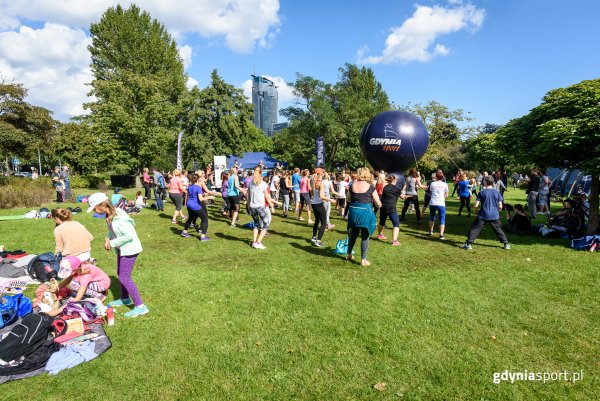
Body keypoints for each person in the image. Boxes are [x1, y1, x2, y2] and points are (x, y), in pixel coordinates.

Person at [88, 193, 149, 318]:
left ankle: (140, 306)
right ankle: (125, 298)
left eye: (94, 208)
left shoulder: (119, 219)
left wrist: (112, 242)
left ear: (101, 205)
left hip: (130, 250)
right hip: (122, 249)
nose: (95, 211)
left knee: (124, 277)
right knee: (120, 274)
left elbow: (129, 236)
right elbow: (112, 231)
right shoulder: (110, 215)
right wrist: (107, 238)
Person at [461, 176, 511, 250]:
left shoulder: (481, 192)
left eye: (484, 181)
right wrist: (496, 212)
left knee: (475, 228)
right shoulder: (497, 193)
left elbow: (476, 205)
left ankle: (468, 244)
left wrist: (475, 211)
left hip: (483, 215)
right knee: (498, 229)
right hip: (494, 215)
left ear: (485, 182)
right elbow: (500, 206)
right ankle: (506, 244)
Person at [346, 168, 382, 267]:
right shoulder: (370, 187)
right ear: (367, 175)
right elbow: (378, 203)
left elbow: (348, 199)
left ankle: (349, 254)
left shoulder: (352, 185)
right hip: (365, 212)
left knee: (353, 233)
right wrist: (378, 206)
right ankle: (363, 259)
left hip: (353, 211)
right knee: (365, 235)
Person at [248, 169, 277, 249]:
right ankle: (258, 242)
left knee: (256, 224)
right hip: (260, 207)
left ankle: (254, 242)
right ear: (260, 176)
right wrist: (272, 206)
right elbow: (267, 197)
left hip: (252, 206)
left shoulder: (251, 184)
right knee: (266, 224)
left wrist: (248, 206)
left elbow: (249, 197)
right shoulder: (263, 184)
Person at [181, 173, 214, 241]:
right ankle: (203, 237)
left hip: (189, 205)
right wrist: (209, 197)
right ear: (198, 179)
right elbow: (201, 199)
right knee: (205, 219)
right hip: (195, 206)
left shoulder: (189, 187)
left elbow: (193, 195)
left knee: (190, 218)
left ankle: (184, 232)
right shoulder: (198, 188)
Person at [376, 174, 403, 246]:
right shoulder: (397, 189)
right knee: (396, 223)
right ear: (394, 180)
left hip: (383, 206)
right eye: (396, 180)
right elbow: (402, 197)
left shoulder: (385, 187)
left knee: (382, 222)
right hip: (391, 207)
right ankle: (394, 241)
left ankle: (380, 235)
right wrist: (406, 196)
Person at [310, 172, 335, 247]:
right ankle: (318, 241)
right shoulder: (320, 184)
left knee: (317, 220)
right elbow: (321, 196)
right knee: (324, 223)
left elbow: (313, 194)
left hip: (314, 204)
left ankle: (314, 237)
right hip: (318, 205)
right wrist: (330, 200)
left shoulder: (313, 183)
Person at [428, 170, 449, 239]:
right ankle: (441, 234)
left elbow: (431, 191)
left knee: (432, 216)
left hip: (433, 202)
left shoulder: (432, 184)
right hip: (441, 203)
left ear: (436, 177)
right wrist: (443, 198)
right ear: (442, 177)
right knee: (442, 219)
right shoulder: (445, 184)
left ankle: (430, 231)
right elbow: (446, 194)